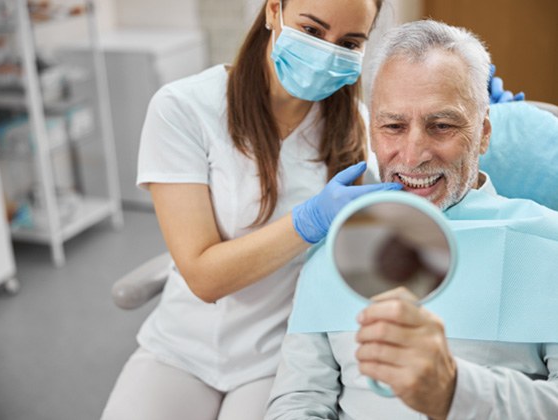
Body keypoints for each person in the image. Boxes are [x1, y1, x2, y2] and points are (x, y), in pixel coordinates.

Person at [101, 1, 402, 419]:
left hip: (279, 356)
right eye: (313, 31)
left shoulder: (356, 127)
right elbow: (204, 277)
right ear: (273, 11)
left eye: (349, 42)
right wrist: (309, 221)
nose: (328, 52)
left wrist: (483, 121)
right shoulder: (185, 109)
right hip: (181, 348)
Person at [265, 20, 558, 419]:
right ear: (372, 133)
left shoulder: (548, 245)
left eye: (441, 126)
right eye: (393, 126)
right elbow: (298, 399)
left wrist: (455, 391)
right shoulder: (334, 248)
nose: (413, 153)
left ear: (484, 133)